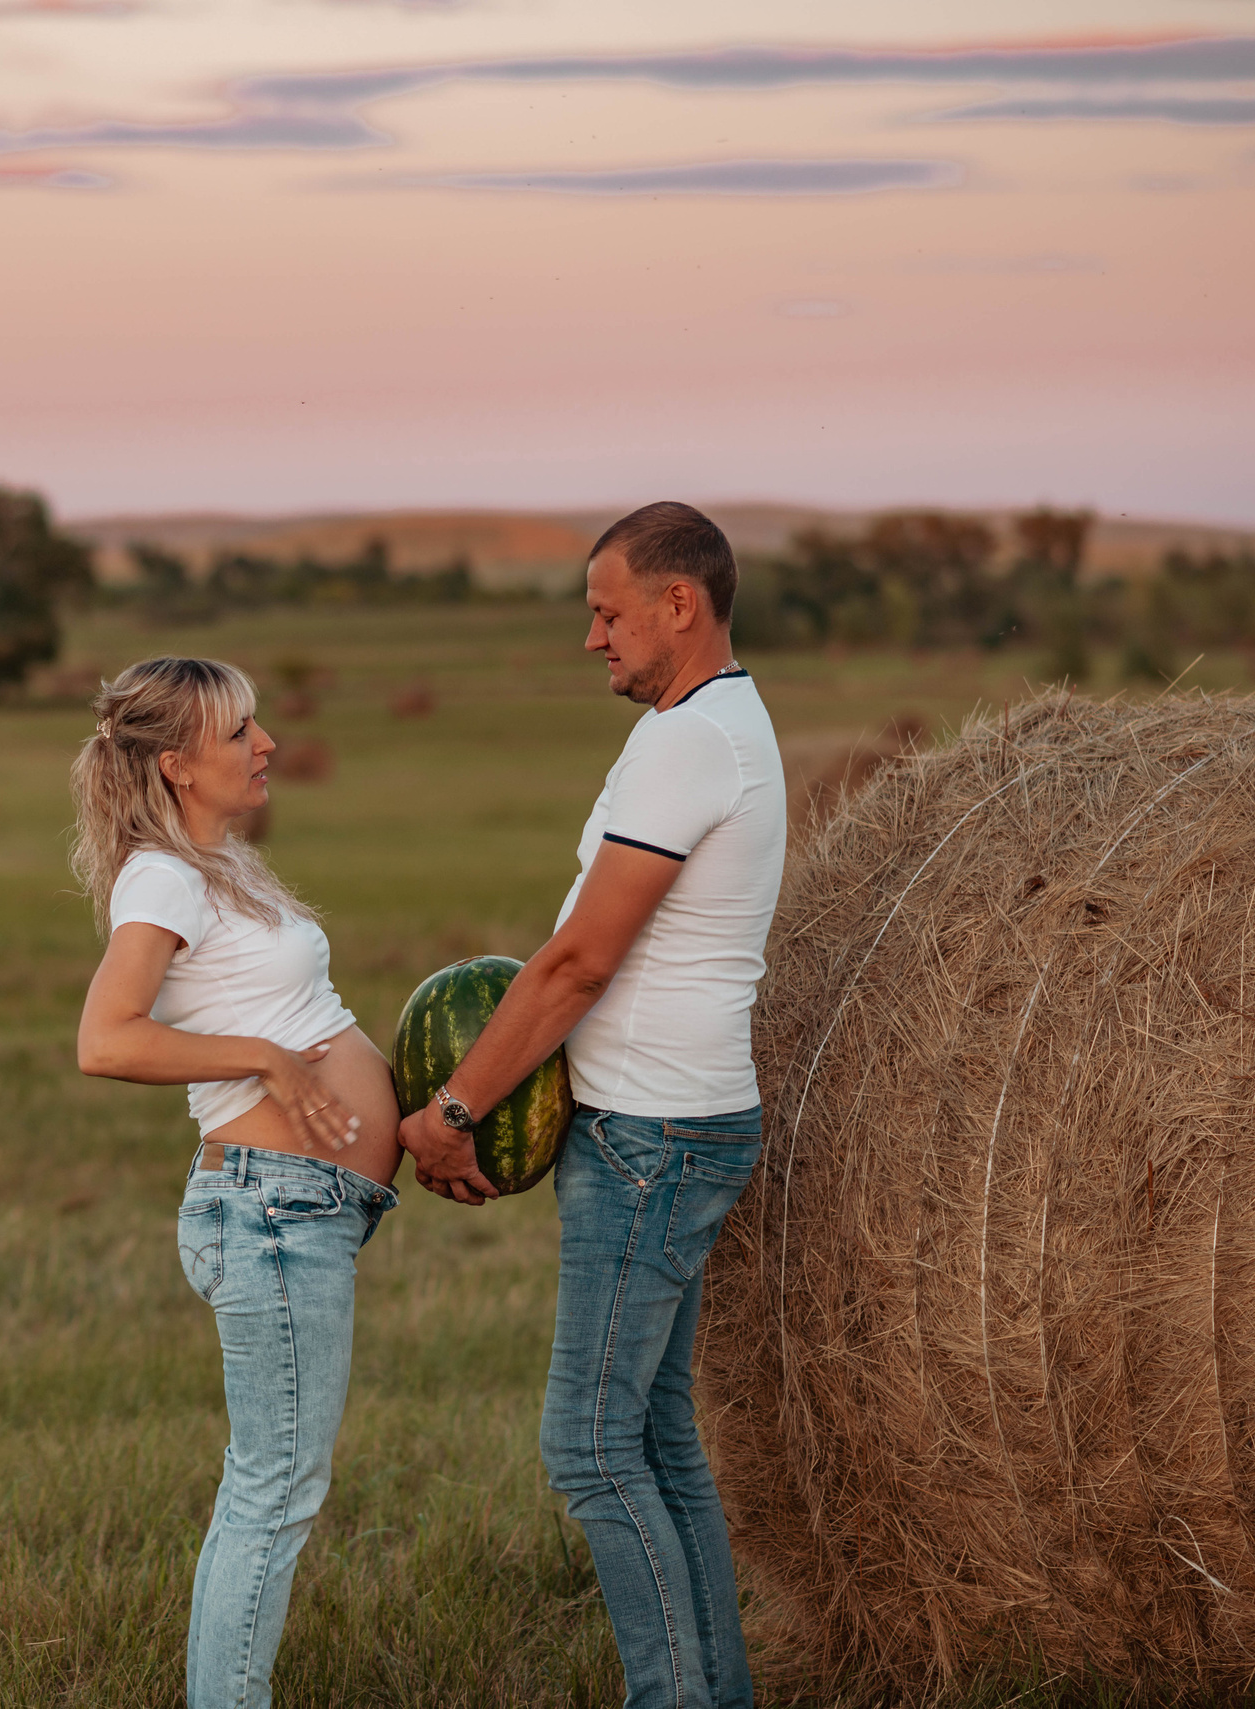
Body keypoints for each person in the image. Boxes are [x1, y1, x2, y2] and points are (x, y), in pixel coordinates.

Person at [396, 501, 785, 1709]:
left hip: (651, 1137)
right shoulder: (714, 722)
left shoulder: (688, 743)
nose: (591, 637)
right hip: (681, 1124)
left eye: (607, 611)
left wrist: (456, 1107)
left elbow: (576, 961)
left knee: (590, 1444)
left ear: (682, 603)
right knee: (657, 1436)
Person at [70, 656, 403, 1709]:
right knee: (273, 1492)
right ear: (176, 763)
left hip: (297, 1205)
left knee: (276, 1486)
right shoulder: (162, 876)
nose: (266, 744)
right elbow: (105, 1040)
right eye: (239, 732)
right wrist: (261, 1055)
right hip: (269, 1209)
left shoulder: (221, 866)